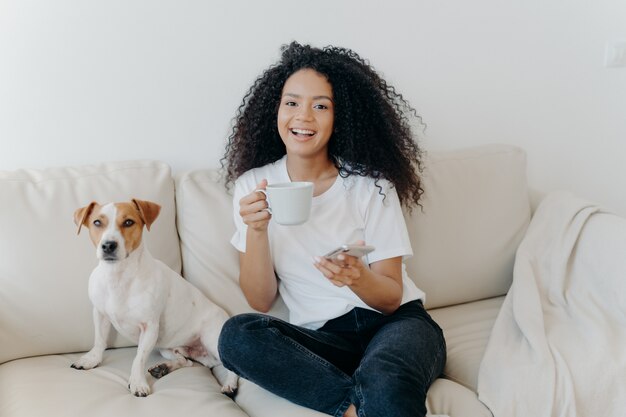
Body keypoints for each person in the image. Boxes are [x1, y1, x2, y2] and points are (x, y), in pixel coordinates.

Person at [218, 41, 446, 417]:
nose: (303, 116)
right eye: (291, 103)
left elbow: (390, 297)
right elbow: (260, 301)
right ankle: (354, 406)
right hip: (325, 339)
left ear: (340, 118)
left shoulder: (371, 185)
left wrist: (356, 277)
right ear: (274, 110)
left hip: (397, 324)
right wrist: (256, 231)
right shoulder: (252, 185)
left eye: (320, 106)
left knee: (385, 376)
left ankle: (366, 393)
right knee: (237, 336)